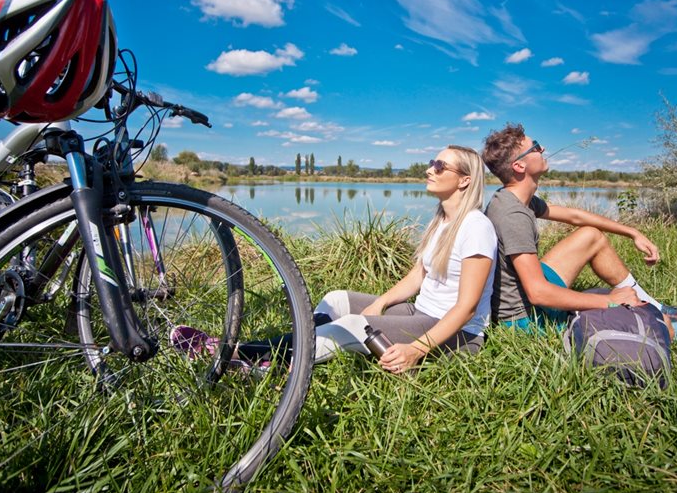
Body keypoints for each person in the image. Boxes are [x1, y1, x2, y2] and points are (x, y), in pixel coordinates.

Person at [172, 145, 498, 374]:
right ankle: (288, 355)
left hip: (459, 336)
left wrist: (416, 349)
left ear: (465, 179)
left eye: (440, 166)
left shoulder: (476, 227)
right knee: (337, 300)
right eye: (432, 161)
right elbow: (417, 278)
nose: (429, 169)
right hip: (422, 312)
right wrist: (381, 303)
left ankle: (238, 353)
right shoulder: (441, 220)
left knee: (352, 326)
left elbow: (466, 308)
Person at [480, 123, 677, 339]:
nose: (543, 149)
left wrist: (632, 232)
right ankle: (669, 328)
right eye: (536, 146)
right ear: (519, 166)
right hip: (525, 319)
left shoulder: (516, 199)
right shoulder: (513, 215)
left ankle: (652, 305)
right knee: (664, 327)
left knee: (590, 235)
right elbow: (538, 293)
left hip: (528, 293)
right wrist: (609, 301)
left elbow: (574, 216)